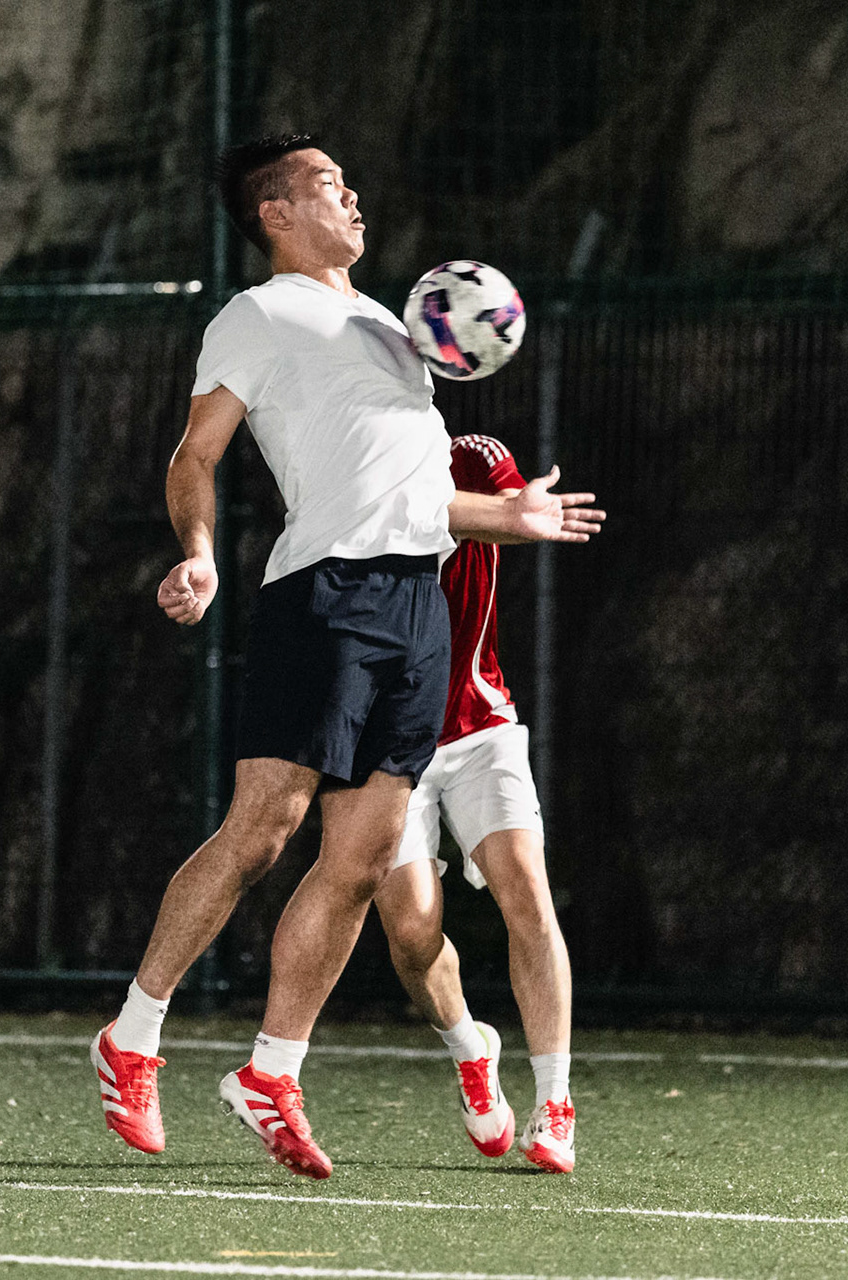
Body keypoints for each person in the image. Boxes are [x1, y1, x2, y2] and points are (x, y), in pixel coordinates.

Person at [88, 134, 604, 1180]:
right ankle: (134, 1033)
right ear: (277, 211)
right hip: (324, 596)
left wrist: (512, 515)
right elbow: (196, 454)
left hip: (419, 610)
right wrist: (198, 554)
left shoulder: (396, 331)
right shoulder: (258, 314)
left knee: (364, 859)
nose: (353, 196)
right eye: (329, 184)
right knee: (263, 828)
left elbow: (417, 497)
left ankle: (272, 1069)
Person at [372, 433, 576, 1174]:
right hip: (389, 740)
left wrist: (522, 510)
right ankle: (469, 1046)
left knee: (528, 896)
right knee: (412, 936)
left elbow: (506, 510)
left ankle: (555, 1102)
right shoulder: (357, 464)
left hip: (481, 725)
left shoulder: (476, 454)